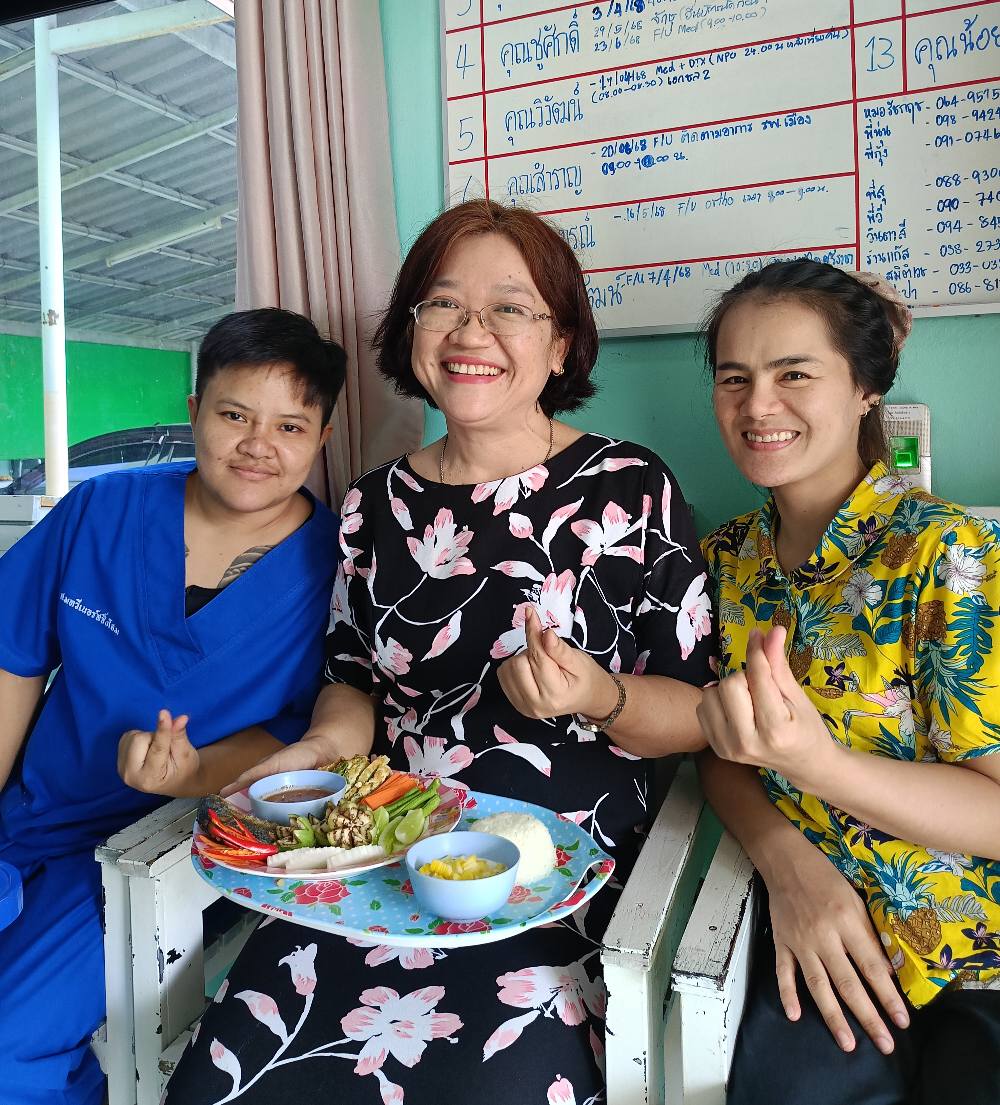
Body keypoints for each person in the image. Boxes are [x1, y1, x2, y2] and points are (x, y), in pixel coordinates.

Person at [164, 199, 715, 1105]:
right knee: (225, 1080)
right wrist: (319, 750)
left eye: (510, 307)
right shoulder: (371, 504)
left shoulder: (631, 485)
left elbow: (694, 714)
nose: (471, 331)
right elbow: (352, 682)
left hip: (556, 883)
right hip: (384, 865)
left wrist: (596, 694)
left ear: (561, 344)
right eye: (444, 303)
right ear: (411, 331)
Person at [0, 307, 347, 1105]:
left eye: (290, 426)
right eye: (234, 415)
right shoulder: (101, 512)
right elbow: (14, 654)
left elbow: (301, 732)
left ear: (323, 437)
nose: (258, 445)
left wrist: (192, 772)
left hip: (158, 856)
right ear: (194, 410)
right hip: (31, 815)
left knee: (10, 1042)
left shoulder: (333, 569)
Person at [695, 259, 1000, 1105]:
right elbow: (714, 746)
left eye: (794, 373)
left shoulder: (945, 554)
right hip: (816, 940)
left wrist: (819, 764)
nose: (758, 405)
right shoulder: (723, 563)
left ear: (866, 387)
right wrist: (789, 864)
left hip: (979, 949)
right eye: (734, 378)